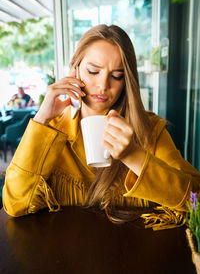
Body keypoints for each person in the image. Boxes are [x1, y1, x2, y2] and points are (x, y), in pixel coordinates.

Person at [3, 25, 200, 229]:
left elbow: (196, 199)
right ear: (75, 69)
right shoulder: (51, 131)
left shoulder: (150, 129)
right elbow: (15, 204)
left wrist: (134, 156)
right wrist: (42, 119)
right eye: (93, 71)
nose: (103, 85)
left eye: (117, 75)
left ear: (127, 81)